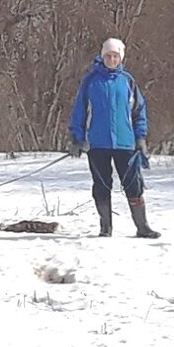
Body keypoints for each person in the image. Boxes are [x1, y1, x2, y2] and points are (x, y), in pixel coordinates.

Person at [68, 37, 158, 238]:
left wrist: (140, 138)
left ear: (121, 57)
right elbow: (79, 111)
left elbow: (138, 111)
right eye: (108, 55)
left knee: (133, 184)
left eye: (115, 56)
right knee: (102, 185)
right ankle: (105, 227)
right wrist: (77, 137)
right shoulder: (90, 81)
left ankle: (142, 226)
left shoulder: (127, 81)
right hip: (97, 143)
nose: (111, 59)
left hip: (126, 143)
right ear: (102, 56)